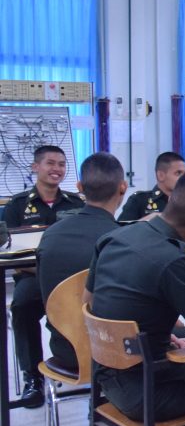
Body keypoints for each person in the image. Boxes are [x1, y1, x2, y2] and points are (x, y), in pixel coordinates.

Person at [85, 172, 185, 421]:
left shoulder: (115, 237)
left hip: (106, 375)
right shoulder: (173, 260)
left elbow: (88, 302)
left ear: (172, 199)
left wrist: (148, 335)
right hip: (149, 392)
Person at [3, 145, 85, 407]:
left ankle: (86, 365)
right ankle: (33, 377)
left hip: (71, 278)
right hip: (34, 278)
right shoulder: (16, 206)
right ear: (35, 167)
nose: (56, 169)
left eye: (61, 164)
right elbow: (11, 255)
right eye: (50, 163)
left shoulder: (76, 203)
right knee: (22, 305)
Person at [36, 152, 127, 371]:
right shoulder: (123, 241)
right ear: (123, 187)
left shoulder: (51, 235)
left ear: (80, 187)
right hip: (116, 354)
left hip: (66, 351)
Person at [117, 151, 185, 221]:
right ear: (161, 175)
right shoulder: (139, 200)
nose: (184, 177)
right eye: (178, 173)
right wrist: (148, 221)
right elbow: (122, 227)